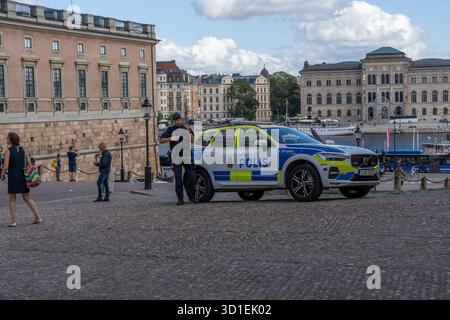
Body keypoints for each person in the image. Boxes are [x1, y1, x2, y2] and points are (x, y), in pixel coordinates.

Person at [1, 132, 42, 227]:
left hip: (13, 177)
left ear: (11, 140)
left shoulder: (8, 151)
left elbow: (6, 166)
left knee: (12, 198)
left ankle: (14, 221)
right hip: (24, 176)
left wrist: (2, 174)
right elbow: (29, 162)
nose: (6, 139)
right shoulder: (24, 149)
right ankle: (38, 217)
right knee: (27, 197)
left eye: (7, 138)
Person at [160, 113, 197, 206]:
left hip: (187, 156)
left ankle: (191, 197)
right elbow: (161, 140)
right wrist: (171, 138)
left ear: (181, 119)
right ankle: (180, 199)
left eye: (178, 120)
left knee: (192, 177)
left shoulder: (186, 128)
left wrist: (189, 132)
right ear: (173, 121)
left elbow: (192, 140)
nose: (177, 122)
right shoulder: (170, 129)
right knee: (178, 179)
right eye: (175, 120)